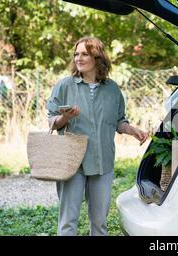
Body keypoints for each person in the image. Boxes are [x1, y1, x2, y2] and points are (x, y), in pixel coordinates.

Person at [46, 37, 148, 236]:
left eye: (84, 54)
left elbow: (119, 120)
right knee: (68, 221)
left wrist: (132, 130)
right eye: (76, 54)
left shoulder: (112, 90)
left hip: (102, 162)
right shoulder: (65, 86)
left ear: (97, 57)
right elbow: (51, 120)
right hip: (72, 161)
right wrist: (64, 117)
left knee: (100, 223)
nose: (79, 58)